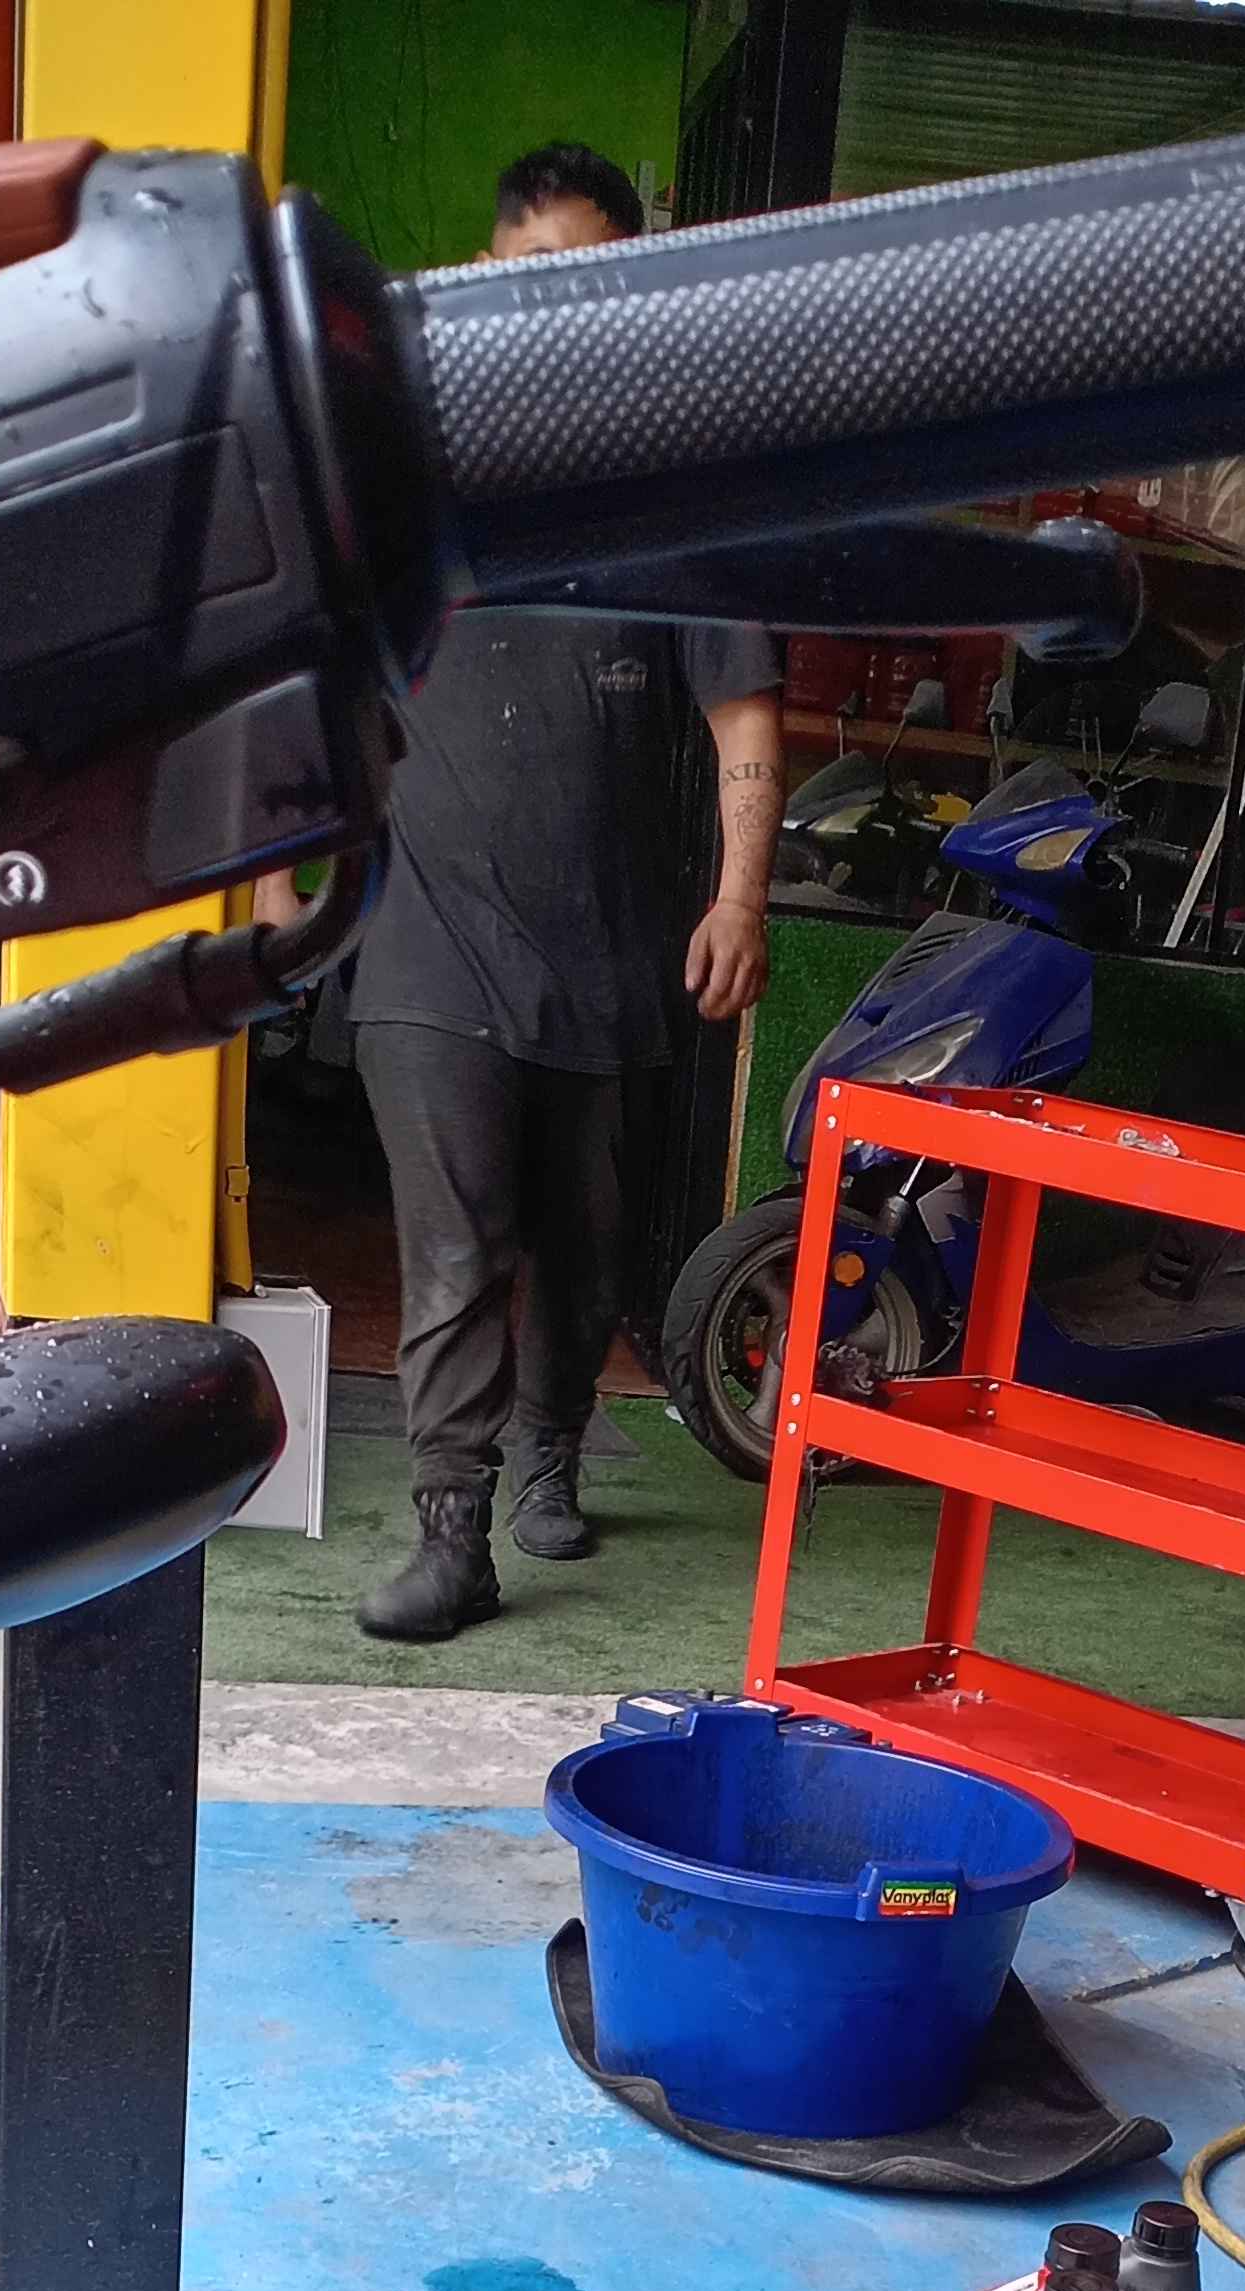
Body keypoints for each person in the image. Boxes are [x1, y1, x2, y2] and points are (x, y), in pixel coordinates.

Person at [341, 142, 783, 1639]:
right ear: (485, 277)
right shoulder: (412, 480)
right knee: (458, 1247)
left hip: (604, 944)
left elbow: (743, 719)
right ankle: (451, 1532)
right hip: (428, 938)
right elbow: (318, 681)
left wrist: (740, 896)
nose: (553, 307)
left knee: (584, 1253)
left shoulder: (672, 496)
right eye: (529, 276)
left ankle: (550, 1449)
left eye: (586, 279)